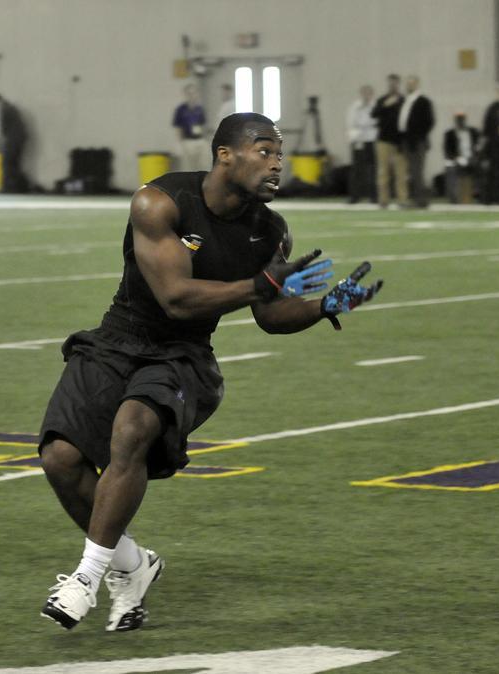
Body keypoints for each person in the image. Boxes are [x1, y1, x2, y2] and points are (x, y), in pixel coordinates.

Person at [37, 112, 383, 632]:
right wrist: (260, 284)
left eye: (280, 153)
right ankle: (132, 566)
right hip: (120, 338)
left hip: (185, 356)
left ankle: (86, 577)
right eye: (264, 151)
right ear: (225, 154)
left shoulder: (270, 230)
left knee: (131, 429)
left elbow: (268, 317)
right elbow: (176, 298)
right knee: (60, 458)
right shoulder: (159, 202)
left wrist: (325, 306)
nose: (276, 163)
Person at [371, 74, 407, 208]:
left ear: (398, 84)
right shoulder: (382, 100)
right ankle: (383, 200)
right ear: (388, 84)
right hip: (383, 140)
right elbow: (373, 114)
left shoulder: (404, 100)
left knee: (401, 172)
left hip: (398, 142)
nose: (393, 85)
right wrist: (386, 105)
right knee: (383, 171)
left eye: (395, 83)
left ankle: (402, 199)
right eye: (390, 83)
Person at [398, 76, 435, 207]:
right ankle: (415, 199)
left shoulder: (423, 101)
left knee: (417, 172)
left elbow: (429, 122)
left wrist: (417, 136)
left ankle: (421, 200)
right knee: (411, 173)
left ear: (417, 85)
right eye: (408, 84)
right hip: (407, 141)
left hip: (418, 142)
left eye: (412, 84)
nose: (409, 86)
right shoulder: (405, 100)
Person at [345, 84, 377, 203]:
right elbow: (351, 123)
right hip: (358, 140)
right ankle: (355, 196)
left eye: (368, 93)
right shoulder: (355, 107)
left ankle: (373, 196)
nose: (366, 96)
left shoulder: (375, 106)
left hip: (371, 140)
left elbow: (374, 122)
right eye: (364, 93)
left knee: (372, 169)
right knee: (357, 170)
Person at [0, 93, 28, 193]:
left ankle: (6, 187)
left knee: (6, 162)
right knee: (14, 163)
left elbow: (1, 130)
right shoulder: (11, 107)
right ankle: (15, 188)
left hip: (14, 138)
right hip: (21, 138)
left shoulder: (3, 109)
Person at [172, 82, 210, 171]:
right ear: (185, 95)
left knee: (203, 165)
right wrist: (179, 143)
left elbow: (203, 125)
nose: (192, 95)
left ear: (196, 94)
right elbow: (178, 127)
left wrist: (205, 139)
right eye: (189, 93)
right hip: (187, 141)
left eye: (193, 93)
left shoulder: (200, 109)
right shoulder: (180, 110)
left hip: (199, 141)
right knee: (188, 167)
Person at [443, 112, 480, 203]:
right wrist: (458, 159)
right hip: (456, 160)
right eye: (458, 120)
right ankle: (455, 198)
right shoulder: (449, 134)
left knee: (480, 167)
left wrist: (473, 158)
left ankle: (474, 197)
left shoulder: (473, 132)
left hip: (471, 159)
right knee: (451, 169)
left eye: (462, 120)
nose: (460, 122)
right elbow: (447, 150)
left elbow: (478, 147)